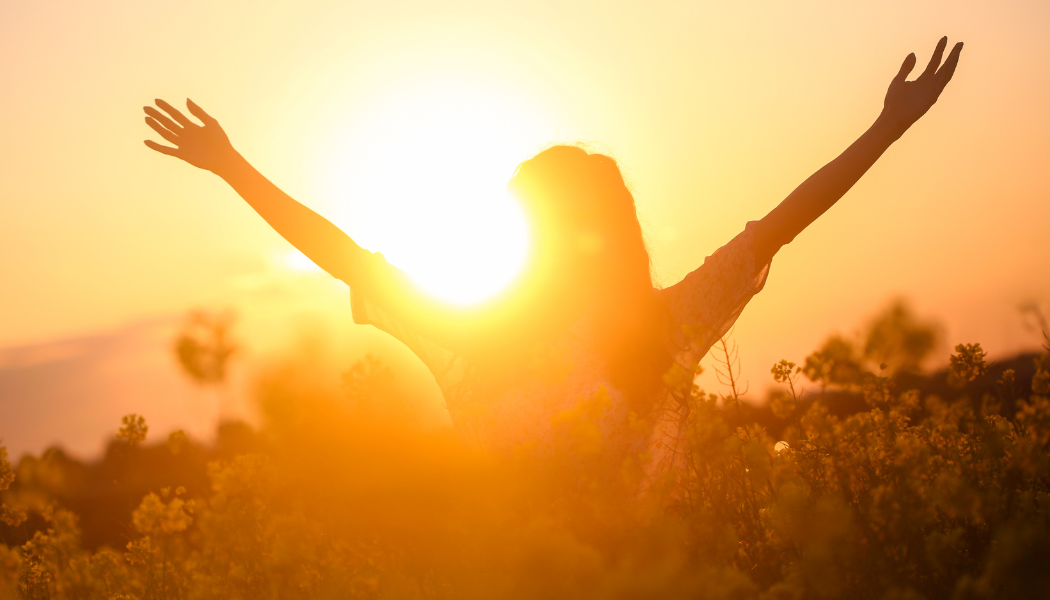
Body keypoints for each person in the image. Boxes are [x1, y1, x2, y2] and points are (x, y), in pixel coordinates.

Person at [143, 38, 963, 485]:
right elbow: (346, 257)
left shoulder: (662, 328)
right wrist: (233, 167)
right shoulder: (476, 338)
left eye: (546, 222)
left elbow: (781, 223)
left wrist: (888, 128)